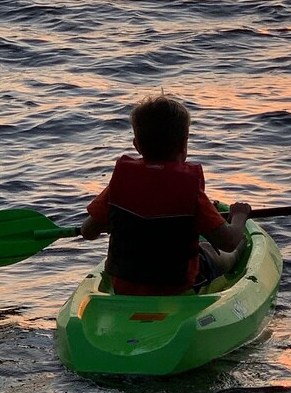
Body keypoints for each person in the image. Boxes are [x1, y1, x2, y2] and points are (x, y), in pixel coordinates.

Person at [80, 94, 251, 295]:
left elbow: (87, 232)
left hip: (126, 285)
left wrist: (113, 222)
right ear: (184, 145)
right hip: (178, 285)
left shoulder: (119, 184)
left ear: (136, 145)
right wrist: (239, 216)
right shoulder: (191, 192)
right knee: (219, 250)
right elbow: (228, 242)